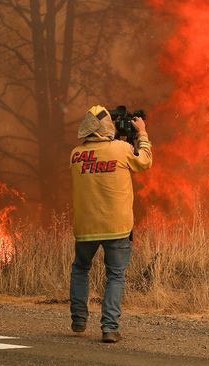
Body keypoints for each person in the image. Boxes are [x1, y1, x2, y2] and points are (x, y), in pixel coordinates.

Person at [69, 105, 152, 343]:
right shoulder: (122, 149)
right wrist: (142, 133)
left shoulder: (75, 155)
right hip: (117, 227)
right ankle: (109, 328)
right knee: (115, 276)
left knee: (80, 269)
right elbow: (145, 161)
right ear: (107, 126)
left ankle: (78, 320)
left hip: (85, 228)